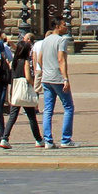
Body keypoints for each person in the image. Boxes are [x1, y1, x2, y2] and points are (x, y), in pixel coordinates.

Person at [1, 31, 44, 149]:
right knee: (31, 117)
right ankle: (38, 139)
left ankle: (5, 138)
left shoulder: (14, 62)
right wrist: (34, 85)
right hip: (24, 90)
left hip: (15, 89)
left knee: (13, 116)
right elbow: (28, 77)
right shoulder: (25, 61)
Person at [37, 20, 75, 148]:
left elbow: (39, 58)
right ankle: (66, 139)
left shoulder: (45, 40)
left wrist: (45, 70)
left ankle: (48, 140)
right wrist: (65, 78)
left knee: (48, 109)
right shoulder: (61, 40)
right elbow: (61, 59)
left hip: (46, 78)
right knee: (68, 107)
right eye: (64, 25)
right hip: (57, 78)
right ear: (58, 26)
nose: (66, 27)